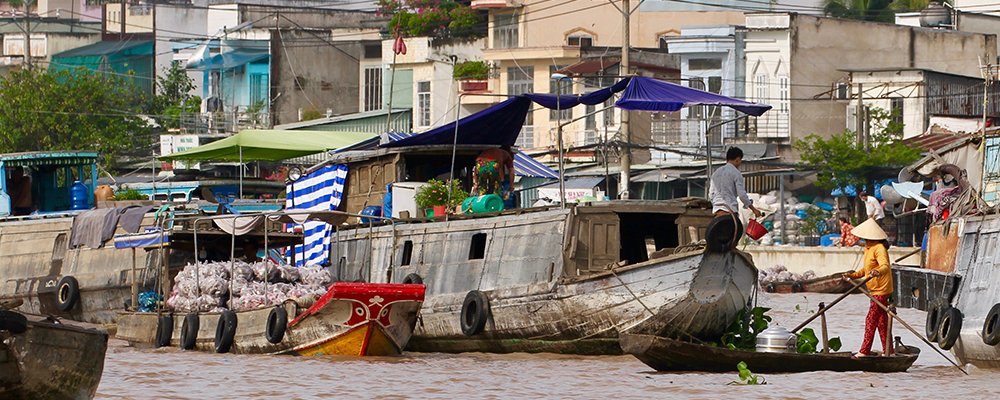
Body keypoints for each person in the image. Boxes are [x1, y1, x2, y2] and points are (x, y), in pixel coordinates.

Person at [842, 218, 894, 358]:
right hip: (874, 290)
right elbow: (866, 269)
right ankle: (889, 351)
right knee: (882, 322)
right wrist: (853, 275)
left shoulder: (879, 248)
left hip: (881, 289)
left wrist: (878, 272)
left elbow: (884, 266)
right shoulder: (868, 248)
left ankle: (864, 351)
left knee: (871, 319)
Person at [709, 147, 762, 219]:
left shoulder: (715, 173)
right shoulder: (736, 173)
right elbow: (742, 195)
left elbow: (711, 194)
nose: (740, 162)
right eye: (740, 160)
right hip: (730, 213)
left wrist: (717, 204)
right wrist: (754, 209)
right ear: (737, 159)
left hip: (717, 214)